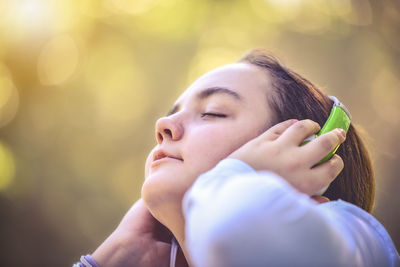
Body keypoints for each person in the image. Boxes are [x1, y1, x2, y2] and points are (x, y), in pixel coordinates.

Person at [73, 49, 400, 267]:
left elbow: (235, 225)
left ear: (305, 155)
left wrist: (242, 173)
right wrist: (115, 256)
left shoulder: (356, 241)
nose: (164, 126)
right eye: (173, 114)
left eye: (213, 113)